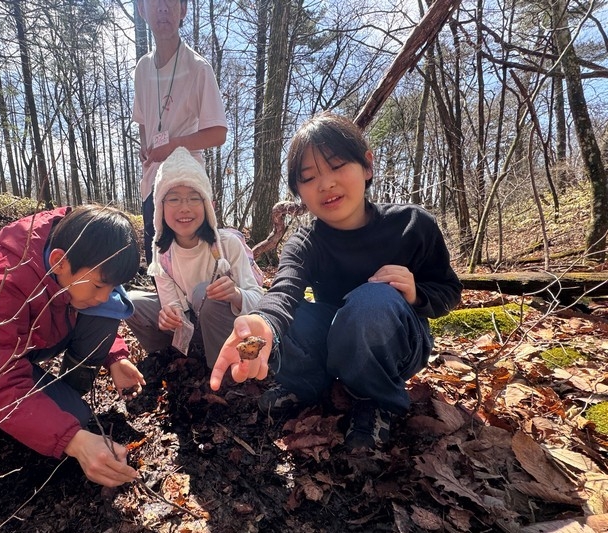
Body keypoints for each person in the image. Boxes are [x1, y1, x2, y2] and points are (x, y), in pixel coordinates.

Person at [209, 112, 462, 452]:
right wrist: (263, 321)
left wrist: (416, 291)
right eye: (309, 177)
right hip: (335, 336)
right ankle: (307, 383)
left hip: (397, 341)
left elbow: (449, 291)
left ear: (367, 166)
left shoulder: (413, 225)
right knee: (296, 314)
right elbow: (284, 291)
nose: (326, 184)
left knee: (372, 301)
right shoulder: (305, 242)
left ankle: (375, 399)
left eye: (338, 165)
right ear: (299, 191)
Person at [0, 205, 145, 487]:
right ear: (59, 262)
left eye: (111, 287)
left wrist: (115, 356)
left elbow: (98, 305)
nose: (104, 297)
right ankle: (38, 411)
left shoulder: (76, 257)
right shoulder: (1, 282)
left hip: (27, 340)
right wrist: (73, 440)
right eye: (99, 286)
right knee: (74, 419)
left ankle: (64, 391)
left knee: (106, 313)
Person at [126, 147, 263, 368]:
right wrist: (168, 315)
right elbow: (172, 304)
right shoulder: (162, 254)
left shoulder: (227, 244)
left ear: (208, 205)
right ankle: (168, 359)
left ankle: (225, 371)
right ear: (160, 207)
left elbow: (259, 300)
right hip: (193, 324)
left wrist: (236, 294)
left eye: (193, 198)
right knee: (131, 302)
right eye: (174, 199)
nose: (184, 208)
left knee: (204, 292)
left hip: (231, 327)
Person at [132, 0, 228, 266]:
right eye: (155, 3)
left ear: (183, 9)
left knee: (194, 262)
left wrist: (173, 146)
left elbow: (218, 133)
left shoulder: (198, 67)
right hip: (152, 182)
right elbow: (142, 119)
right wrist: (145, 146)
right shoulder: (142, 68)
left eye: (171, 2)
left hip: (187, 183)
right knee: (159, 262)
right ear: (142, 10)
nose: (163, 9)